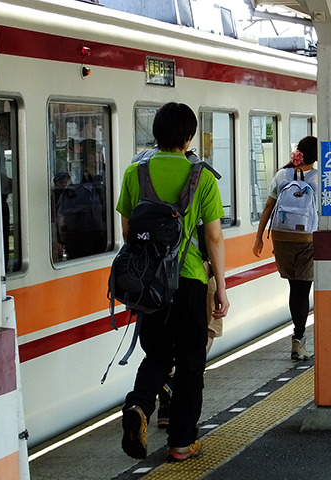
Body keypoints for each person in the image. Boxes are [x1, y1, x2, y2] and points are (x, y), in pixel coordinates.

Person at [117, 102, 229, 462]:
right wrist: (222, 287)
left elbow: (127, 232)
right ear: (190, 136)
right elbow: (213, 238)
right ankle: (182, 442)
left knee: (157, 355)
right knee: (192, 359)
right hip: (190, 281)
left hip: (150, 286)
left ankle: (138, 406)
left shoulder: (135, 172)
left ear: (157, 133)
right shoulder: (203, 177)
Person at [252, 136, 318, 361]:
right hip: (307, 239)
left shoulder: (282, 175)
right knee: (303, 290)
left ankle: (298, 338)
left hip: (281, 238)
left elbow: (269, 207)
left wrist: (259, 238)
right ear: (316, 157)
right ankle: (298, 340)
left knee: (293, 288)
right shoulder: (317, 178)